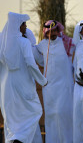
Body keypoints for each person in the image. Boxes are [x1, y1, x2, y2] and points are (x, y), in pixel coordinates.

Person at [0, 12, 48, 143]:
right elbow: (31, 64)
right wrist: (42, 80)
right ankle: (19, 139)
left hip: (6, 88)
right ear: (17, 26)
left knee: (12, 119)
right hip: (23, 84)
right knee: (35, 110)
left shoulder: (2, 43)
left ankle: (14, 138)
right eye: (23, 24)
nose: (25, 27)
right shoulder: (23, 42)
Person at [33, 20, 74, 142]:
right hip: (49, 88)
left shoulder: (67, 43)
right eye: (50, 31)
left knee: (63, 114)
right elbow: (39, 60)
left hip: (65, 86)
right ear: (46, 32)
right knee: (51, 115)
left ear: (58, 30)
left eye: (55, 30)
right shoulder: (42, 45)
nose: (53, 33)